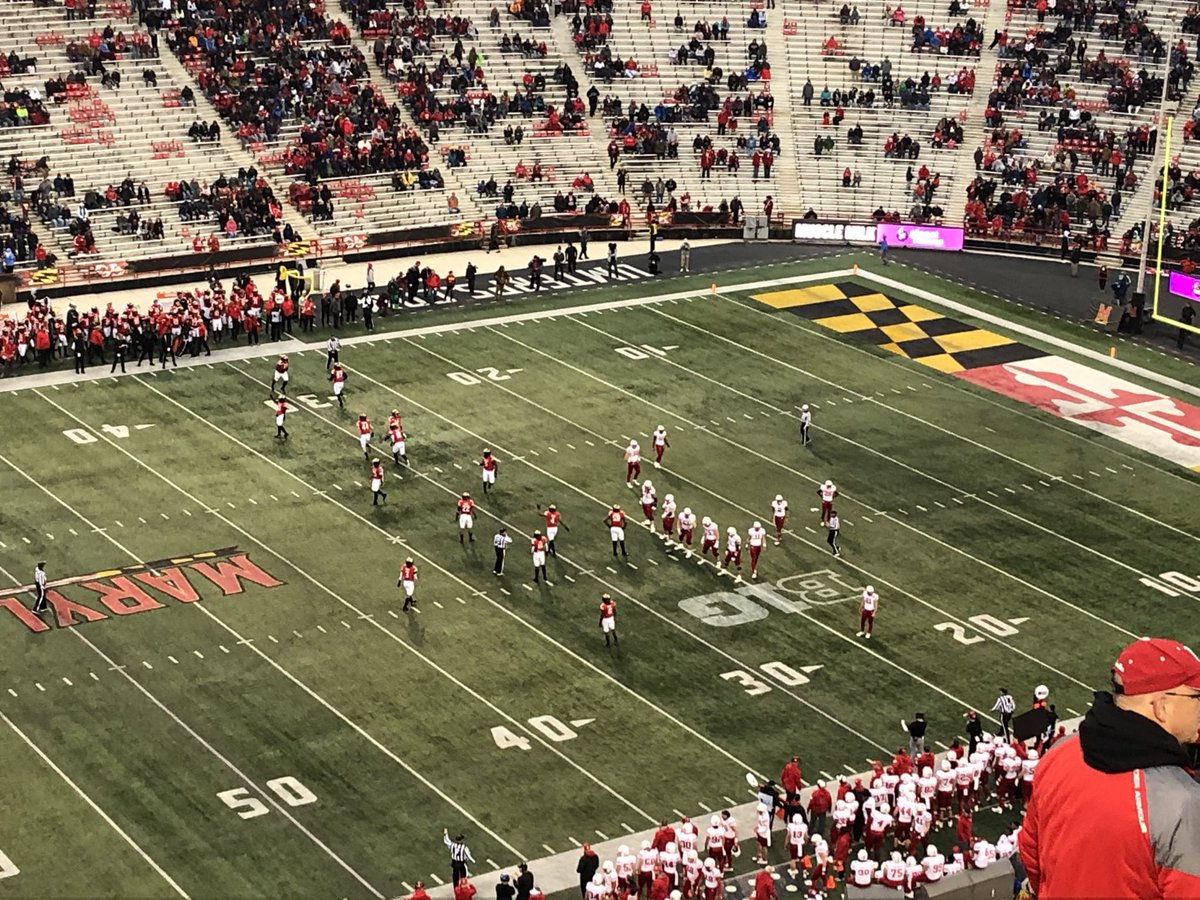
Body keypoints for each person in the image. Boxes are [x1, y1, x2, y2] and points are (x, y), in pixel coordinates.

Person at [1019, 638, 1200, 898]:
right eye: (1196, 697)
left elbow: (1031, 852)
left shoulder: (1060, 751)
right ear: (1162, 706)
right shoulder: (1182, 803)